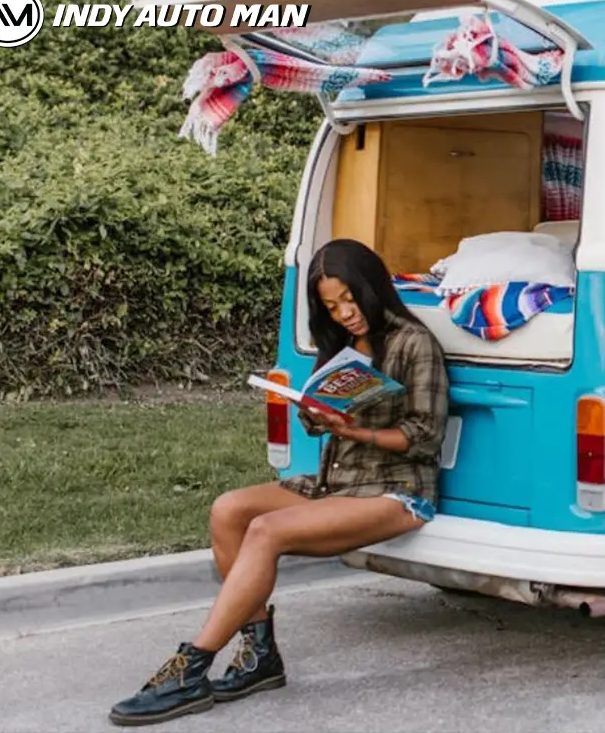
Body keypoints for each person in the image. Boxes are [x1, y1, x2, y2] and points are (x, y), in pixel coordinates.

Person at [109, 239, 450, 726]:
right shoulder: (343, 347)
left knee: (267, 530)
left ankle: (190, 669)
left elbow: (425, 435)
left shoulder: (413, 343)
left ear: (372, 288)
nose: (344, 314)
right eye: (331, 306)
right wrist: (316, 411)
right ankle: (258, 658)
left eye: (350, 300)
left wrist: (361, 431)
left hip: (396, 490)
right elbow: (316, 424)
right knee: (228, 509)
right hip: (336, 481)